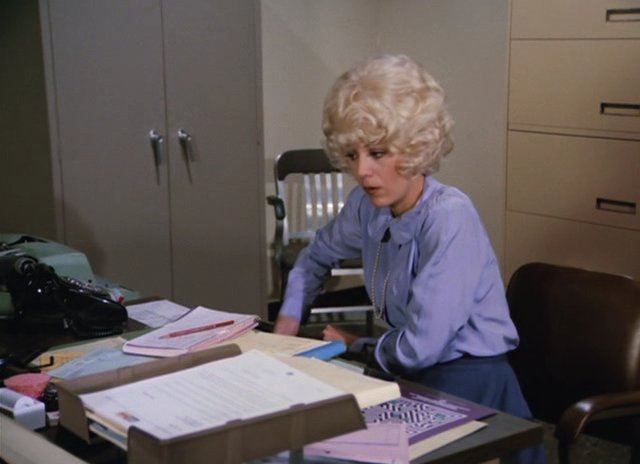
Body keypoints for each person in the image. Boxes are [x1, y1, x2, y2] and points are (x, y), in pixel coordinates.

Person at [274, 54, 545, 463]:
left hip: (472, 380)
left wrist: (359, 344)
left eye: (378, 153)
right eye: (352, 155)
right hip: (408, 369)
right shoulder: (367, 206)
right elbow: (314, 258)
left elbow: (423, 347)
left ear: (416, 146)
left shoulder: (449, 217)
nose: (362, 171)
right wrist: (287, 323)